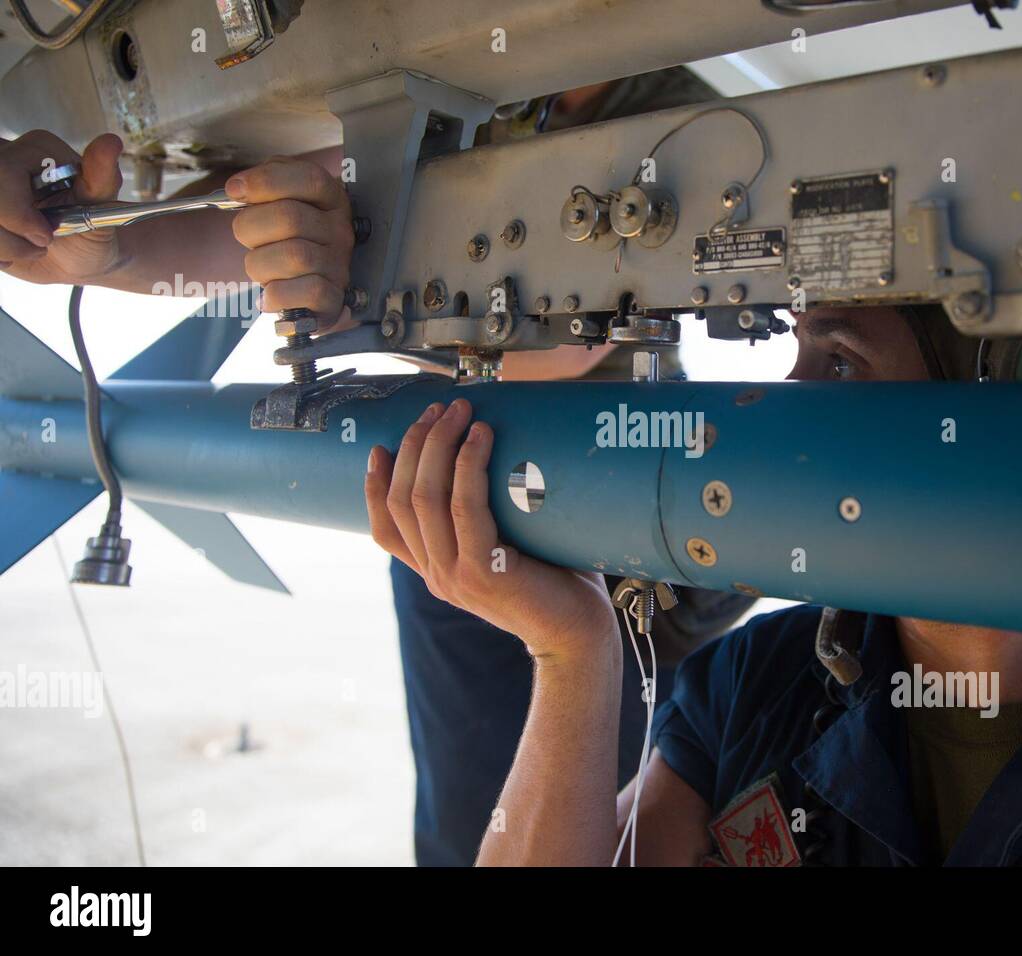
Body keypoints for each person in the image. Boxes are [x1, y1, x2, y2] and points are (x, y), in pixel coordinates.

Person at [0, 64, 750, 868]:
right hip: (456, 503)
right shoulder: (463, 84)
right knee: (475, 825)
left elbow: (571, 346)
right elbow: (284, 202)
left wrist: (358, 303)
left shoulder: (686, 120)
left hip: (618, 514)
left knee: (613, 814)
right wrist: (109, 249)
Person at [364, 304, 1022, 866]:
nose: (780, 404)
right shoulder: (751, 684)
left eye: (839, 360)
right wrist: (574, 652)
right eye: (797, 354)